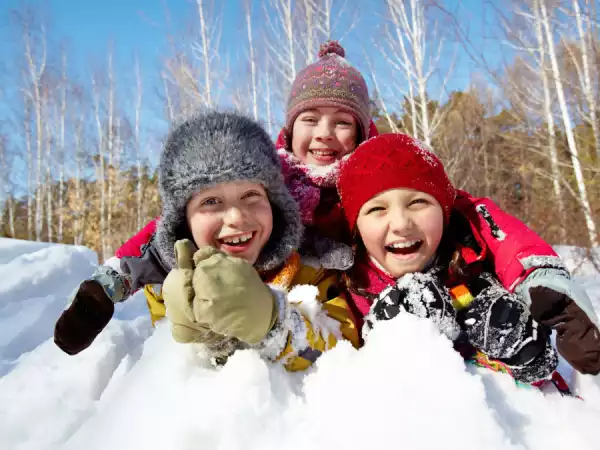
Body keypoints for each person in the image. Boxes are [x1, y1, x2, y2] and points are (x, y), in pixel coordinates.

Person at [337, 133, 600, 384]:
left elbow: (513, 246)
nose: (401, 224)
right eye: (377, 208)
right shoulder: (346, 286)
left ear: (444, 211)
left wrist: (527, 354)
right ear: (356, 227)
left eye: (417, 202)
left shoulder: (468, 265)